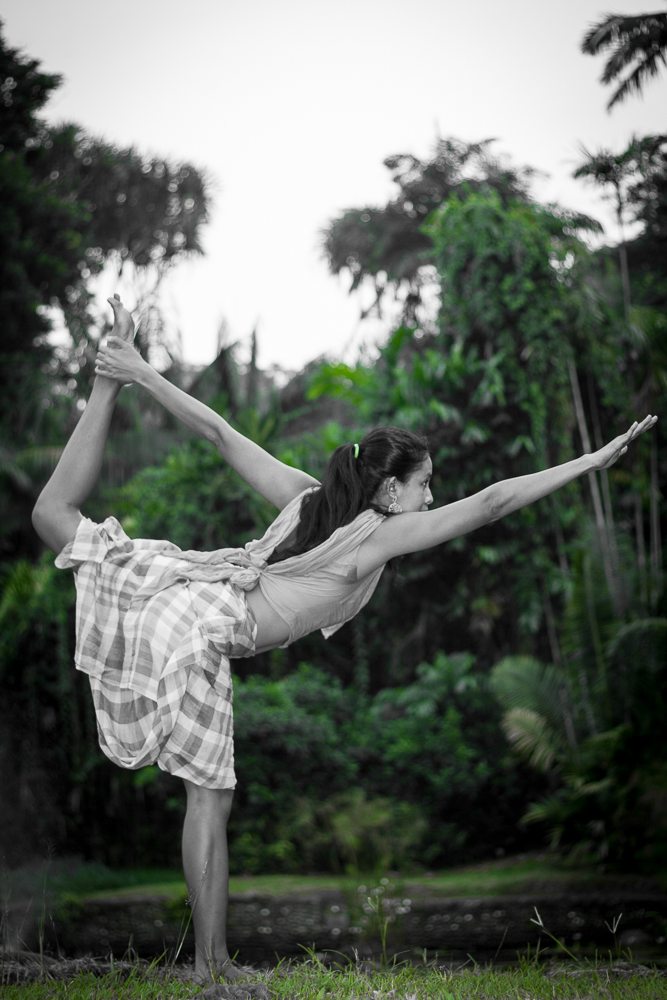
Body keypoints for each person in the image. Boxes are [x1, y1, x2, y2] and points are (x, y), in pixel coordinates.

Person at [32, 295, 656, 983]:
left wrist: (138, 373)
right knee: (209, 795)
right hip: (201, 623)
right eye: (423, 487)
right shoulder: (375, 539)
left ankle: (104, 380)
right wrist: (588, 462)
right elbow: (491, 503)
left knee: (57, 518)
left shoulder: (307, 502)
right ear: (387, 492)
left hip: (188, 588)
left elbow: (216, 432)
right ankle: (211, 972)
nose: (429, 499)